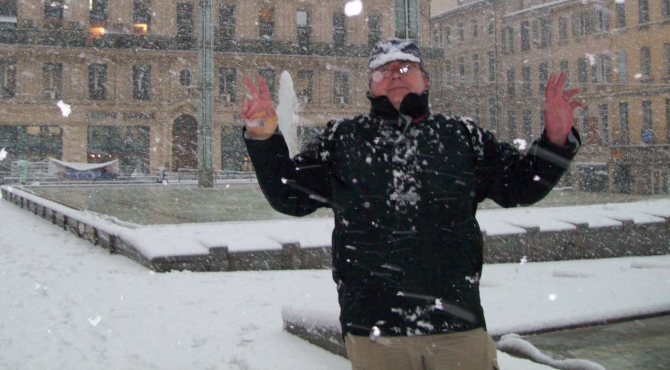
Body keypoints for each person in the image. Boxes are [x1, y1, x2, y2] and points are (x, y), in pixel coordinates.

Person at [240, 38, 582, 370]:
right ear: (370, 85)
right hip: (375, 330)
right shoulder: (343, 138)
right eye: (383, 69)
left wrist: (554, 141)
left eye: (406, 66)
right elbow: (289, 194)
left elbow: (520, 186)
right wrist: (262, 135)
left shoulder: (462, 136)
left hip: (456, 325)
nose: (395, 74)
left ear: (425, 79)